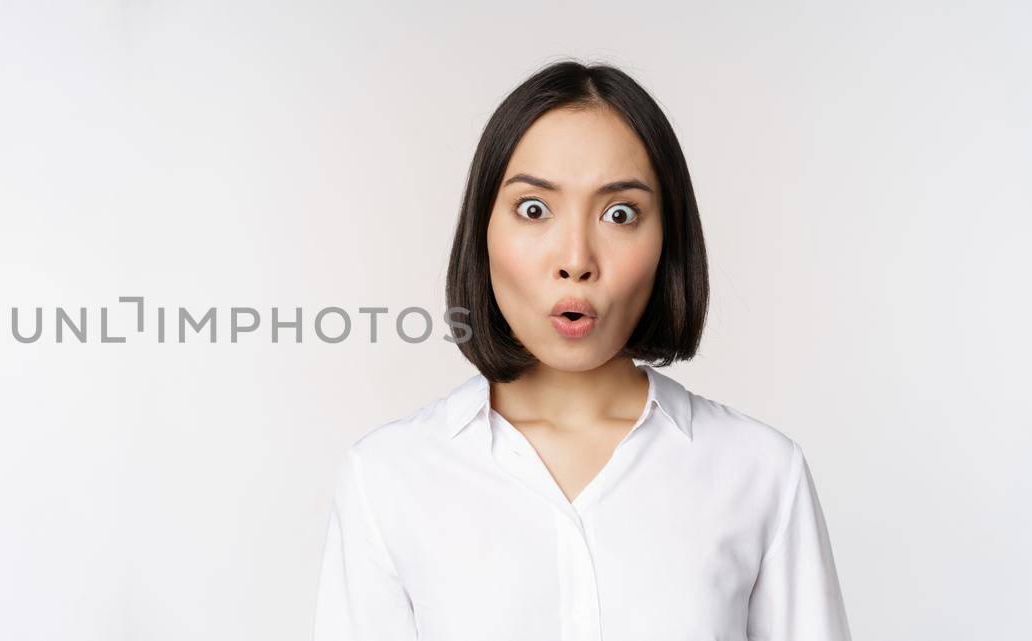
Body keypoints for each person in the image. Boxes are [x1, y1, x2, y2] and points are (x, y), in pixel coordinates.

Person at [312, 60, 852, 641]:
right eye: (534, 209)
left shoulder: (762, 474)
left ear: (667, 242)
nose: (576, 258)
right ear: (482, 232)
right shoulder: (388, 478)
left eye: (620, 214)